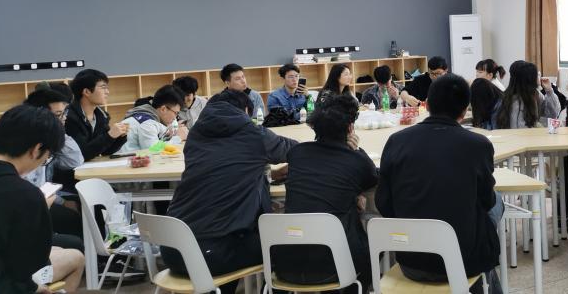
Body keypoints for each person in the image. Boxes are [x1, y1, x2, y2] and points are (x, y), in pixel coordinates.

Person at [376, 74, 503, 294]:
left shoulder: (397, 141)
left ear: (427, 105)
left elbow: (384, 203)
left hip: (411, 261)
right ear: (464, 110)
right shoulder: (477, 145)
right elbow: (487, 201)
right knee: (497, 202)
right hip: (463, 262)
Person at [163, 90, 297, 294]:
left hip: (173, 249)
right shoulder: (253, 134)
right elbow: (297, 151)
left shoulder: (196, 136)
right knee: (288, 246)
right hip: (210, 254)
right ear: (245, 111)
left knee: (230, 238)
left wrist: (267, 174)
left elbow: (223, 171)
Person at [0, 105, 85, 294]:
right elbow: (27, 268)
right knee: (76, 258)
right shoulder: (27, 195)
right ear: (37, 149)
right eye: (47, 157)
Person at [273, 95, 375, 292]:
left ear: (314, 128)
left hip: (286, 263)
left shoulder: (297, 154)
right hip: (336, 264)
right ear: (350, 129)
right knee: (373, 247)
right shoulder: (355, 160)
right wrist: (357, 150)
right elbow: (371, 178)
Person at [23, 89, 86, 249]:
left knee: (88, 205)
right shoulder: (30, 143)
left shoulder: (48, 139)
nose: (64, 118)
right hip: (31, 205)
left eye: (64, 113)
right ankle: (85, 256)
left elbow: (75, 160)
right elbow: (34, 188)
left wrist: (58, 132)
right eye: (58, 115)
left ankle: (98, 256)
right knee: (73, 218)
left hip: (45, 197)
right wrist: (62, 202)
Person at [65, 69, 129, 162]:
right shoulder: (69, 117)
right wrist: (110, 135)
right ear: (87, 92)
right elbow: (81, 154)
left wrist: (120, 136)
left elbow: (106, 151)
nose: (107, 92)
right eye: (103, 87)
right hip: (72, 169)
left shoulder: (102, 116)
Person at [117, 85, 187, 153]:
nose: (175, 118)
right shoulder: (147, 122)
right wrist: (178, 138)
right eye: (176, 113)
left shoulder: (146, 114)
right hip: (121, 159)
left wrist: (168, 135)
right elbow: (152, 150)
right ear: (163, 109)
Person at [495, 61, 559, 129]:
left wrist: (549, 91)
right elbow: (519, 129)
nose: (539, 76)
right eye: (536, 74)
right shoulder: (515, 101)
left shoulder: (535, 94)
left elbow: (552, 114)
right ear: (528, 78)